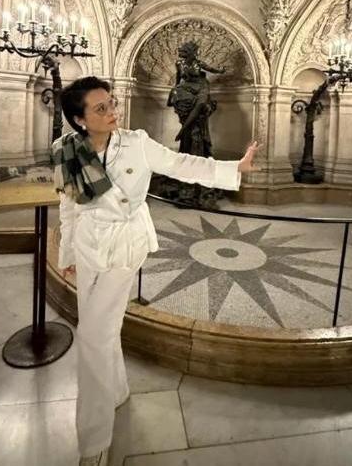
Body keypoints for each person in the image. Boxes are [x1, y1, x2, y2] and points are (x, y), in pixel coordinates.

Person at [52, 76, 260, 466]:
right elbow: (68, 204)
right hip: (87, 244)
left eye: (112, 103)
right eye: (101, 108)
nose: (112, 111)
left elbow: (182, 164)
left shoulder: (137, 143)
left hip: (125, 244)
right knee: (103, 327)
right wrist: (68, 252)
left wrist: (235, 167)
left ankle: (93, 440)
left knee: (92, 336)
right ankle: (117, 390)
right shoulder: (66, 149)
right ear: (80, 120)